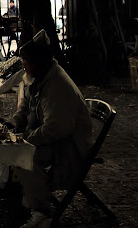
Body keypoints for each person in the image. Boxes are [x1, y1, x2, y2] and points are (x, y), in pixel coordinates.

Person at [12, 29, 93, 228]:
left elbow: (57, 129)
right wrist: (16, 125)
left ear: (38, 63)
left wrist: (27, 138)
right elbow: (25, 107)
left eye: (26, 62)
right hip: (56, 139)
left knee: (24, 156)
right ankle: (31, 198)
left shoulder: (57, 86)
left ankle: (42, 211)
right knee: (14, 150)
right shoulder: (40, 78)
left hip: (69, 145)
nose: (23, 65)